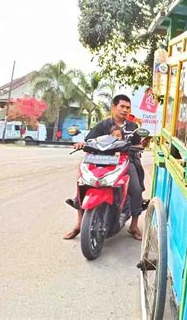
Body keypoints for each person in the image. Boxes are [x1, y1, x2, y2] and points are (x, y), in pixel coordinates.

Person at [63, 94, 147, 241]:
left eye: (128, 107)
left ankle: (134, 225)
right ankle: (78, 224)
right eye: (122, 106)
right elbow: (88, 140)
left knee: (135, 187)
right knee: (83, 181)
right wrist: (82, 144)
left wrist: (142, 144)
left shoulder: (133, 127)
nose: (125, 110)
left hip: (125, 160)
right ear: (114, 107)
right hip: (100, 159)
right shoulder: (103, 125)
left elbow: (138, 144)